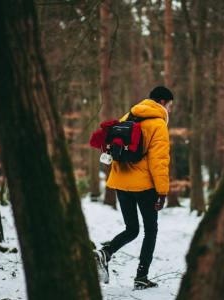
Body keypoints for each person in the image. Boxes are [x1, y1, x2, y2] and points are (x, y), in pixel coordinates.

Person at [95, 86, 173, 290]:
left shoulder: (128, 116)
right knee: (150, 230)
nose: (170, 110)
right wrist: (162, 191)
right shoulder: (158, 125)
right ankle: (141, 277)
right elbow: (159, 161)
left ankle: (105, 252)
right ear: (163, 102)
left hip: (121, 183)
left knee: (132, 229)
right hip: (145, 186)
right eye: (170, 105)